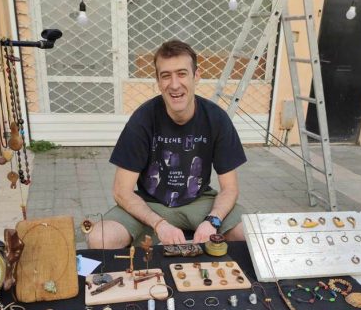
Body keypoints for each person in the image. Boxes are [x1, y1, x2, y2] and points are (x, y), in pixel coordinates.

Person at [88, 40, 247, 249]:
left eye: (182, 74)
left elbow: (230, 189)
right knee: (99, 238)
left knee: (251, 234)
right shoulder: (143, 119)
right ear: (158, 81)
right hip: (150, 204)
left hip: (199, 202)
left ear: (196, 76)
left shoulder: (216, 118)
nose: (174, 84)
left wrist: (213, 221)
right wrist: (159, 224)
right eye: (166, 75)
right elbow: (121, 191)